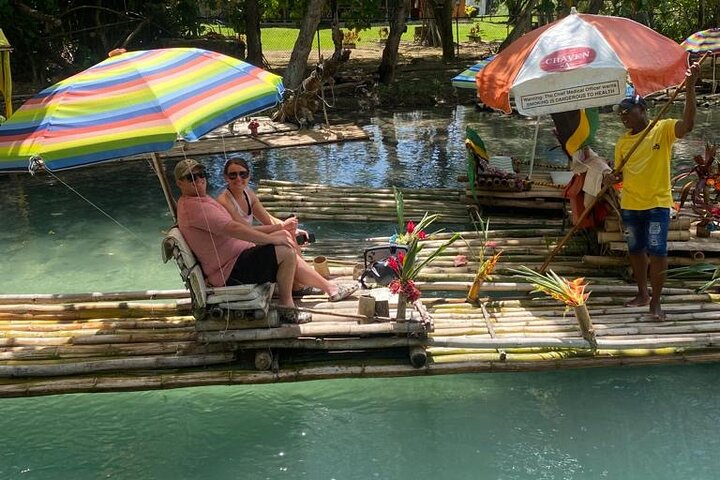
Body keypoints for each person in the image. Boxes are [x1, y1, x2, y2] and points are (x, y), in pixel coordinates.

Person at [174, 159, 357, 323]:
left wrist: (281, 230)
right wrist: (271, 238)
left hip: (236, 259)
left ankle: (322, 287)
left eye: (201, 174)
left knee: (283, 242)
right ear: (179, 183)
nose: (198, 179)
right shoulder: (196, 207)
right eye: (191, 177)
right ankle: (288, 306)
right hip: (229, 271)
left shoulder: (200, 201)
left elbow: (264, 221)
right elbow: (235, 229)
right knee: (284, 250)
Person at [612, 63, 700, 320]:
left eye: (627, 111)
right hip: (630, 203)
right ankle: (642, 294)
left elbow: (689, 125)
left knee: (657, 250)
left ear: (642, 110)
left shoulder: (662, 128)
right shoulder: (622, 141)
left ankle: (656, 302)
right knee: (635, 250)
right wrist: (612, 176)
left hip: (657, 204)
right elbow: (619, 174)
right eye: (620, 113)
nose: (623, 116)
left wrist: (690, 88)